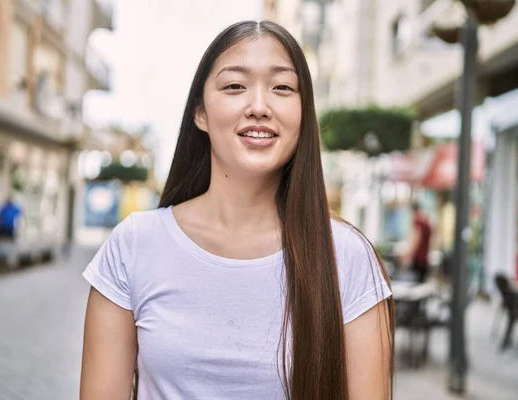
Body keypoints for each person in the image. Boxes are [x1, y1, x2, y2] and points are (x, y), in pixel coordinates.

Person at [80, 21, 394, 400]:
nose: (259, 107)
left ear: (303, 113)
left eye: (282, 88)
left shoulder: (347, 258)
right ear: (200, 113)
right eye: (234, 86)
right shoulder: (133, 246)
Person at [401, 202, 432, 283]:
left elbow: (416, 240)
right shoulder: (426, 221)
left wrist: (407, 257)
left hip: (418, 259)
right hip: (424, 259)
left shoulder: (418, 221)